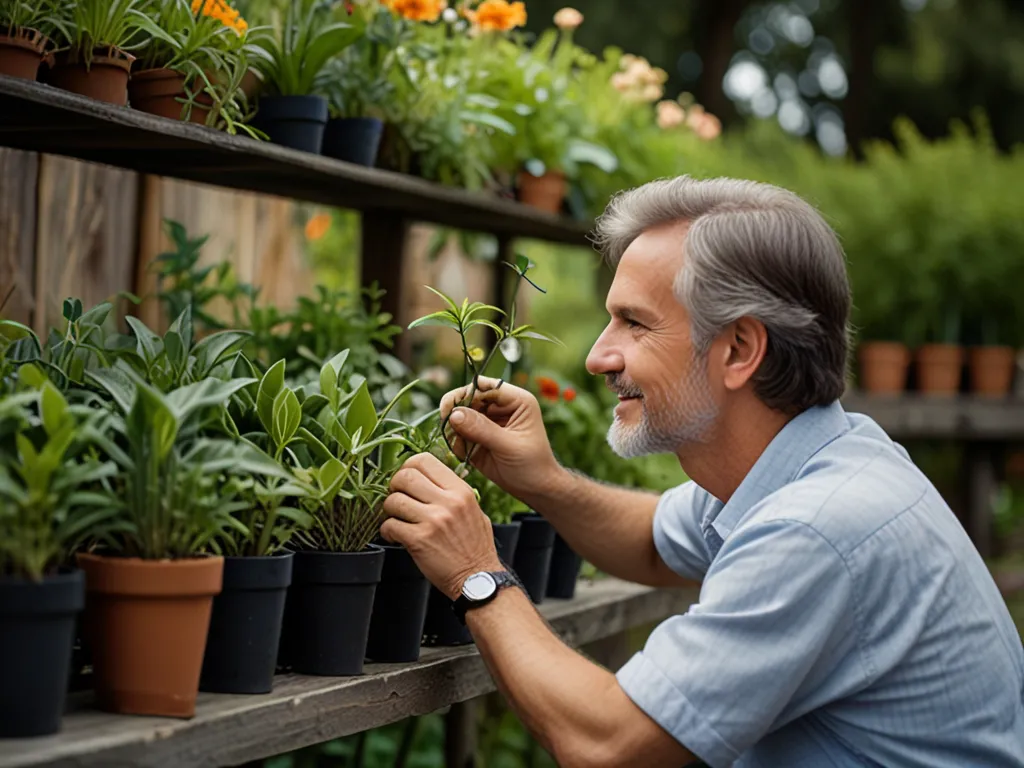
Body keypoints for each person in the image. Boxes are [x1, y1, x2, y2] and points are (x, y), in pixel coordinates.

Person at [381, 176, 1024, 767]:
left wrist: (477, 574)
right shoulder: (818, 459)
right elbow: (651, 541)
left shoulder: (817, 528)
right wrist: (542, 480)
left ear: (739, 349)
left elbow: (608, 745)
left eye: (634, 323)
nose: (598, 356)